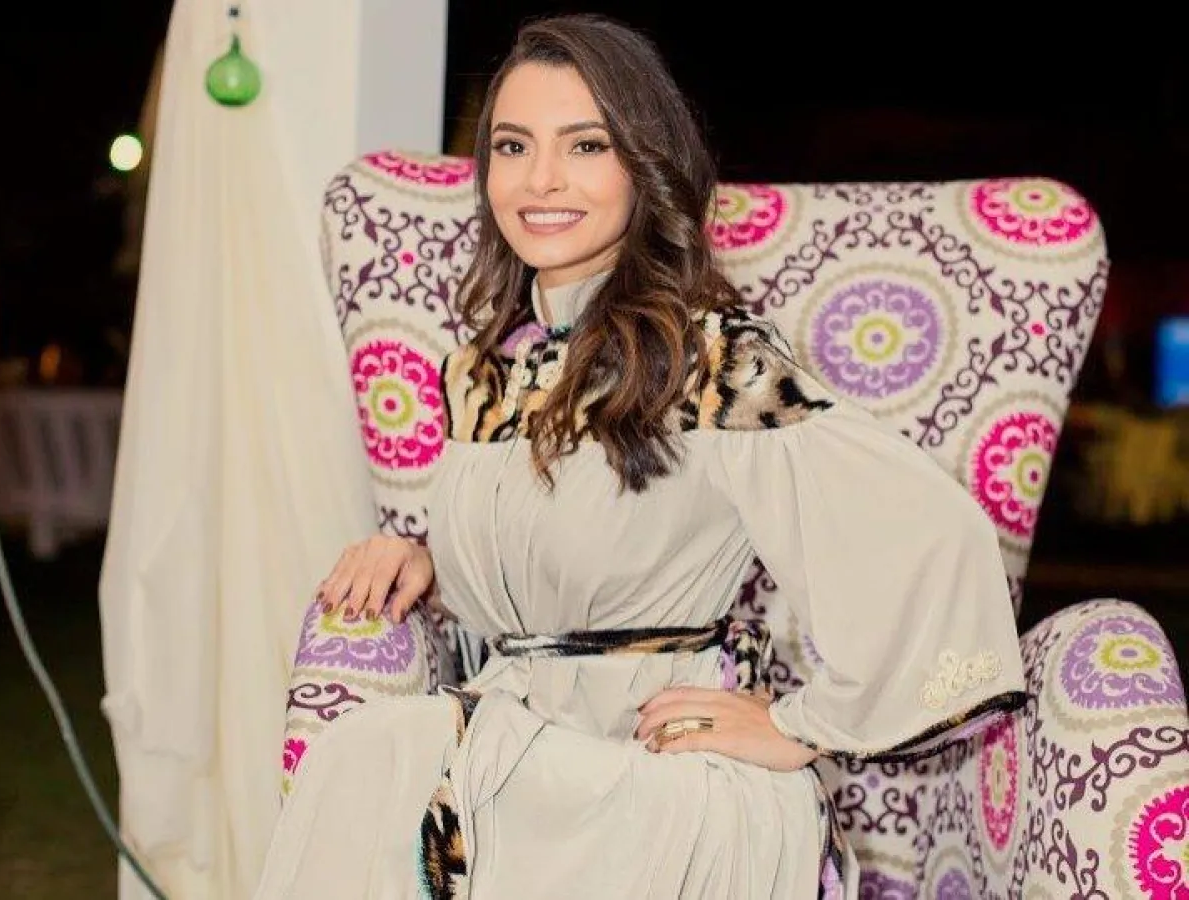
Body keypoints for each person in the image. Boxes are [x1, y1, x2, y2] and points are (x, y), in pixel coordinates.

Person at [254, 13, 1026, 898]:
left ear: (644, 167)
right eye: (513, 146)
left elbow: (932, 538)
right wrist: (430, 563)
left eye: (586, 145)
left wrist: (800, 726)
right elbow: (545, 582)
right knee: (375, 755)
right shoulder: (480, 375)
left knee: (385, 753)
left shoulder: (711, 361)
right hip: (516, 760)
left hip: (658, 779)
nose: (541, 179)